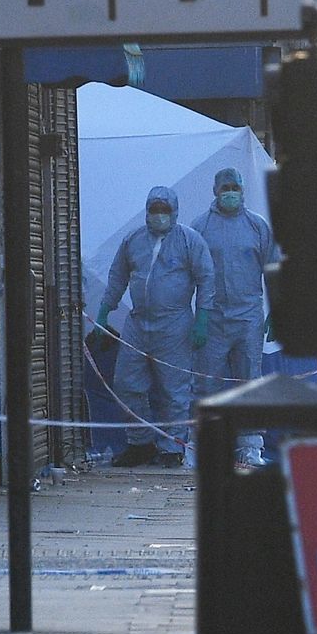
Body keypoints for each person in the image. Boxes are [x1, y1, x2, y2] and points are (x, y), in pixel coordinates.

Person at [92, 186, 216, 468]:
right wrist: (104, 311)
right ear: (146, 211)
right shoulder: (133, 240)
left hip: (175, 325)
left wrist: (202, 318)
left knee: (174, 389)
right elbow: (118, 276)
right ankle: (140, 443)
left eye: (164, 209)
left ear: (175, 212)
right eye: (154, 209)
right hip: (138, 323)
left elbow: (206, 278)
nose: (159, 215)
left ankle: (172, 447)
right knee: (126, 384)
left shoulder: (189, 241)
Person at [189, 167, 278, 467]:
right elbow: (190, 274)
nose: (230, 193)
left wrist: (276, 310)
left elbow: (273, 269)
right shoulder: (200, 227)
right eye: (225, 188)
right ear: (215, 191)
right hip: (212, 318)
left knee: (249, 382)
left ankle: (251, 447)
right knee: (206, 384)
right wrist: (197, 318)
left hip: (248, 317)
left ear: (242, 190)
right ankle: (205, 446)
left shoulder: (257, 226)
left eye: (235, 188)